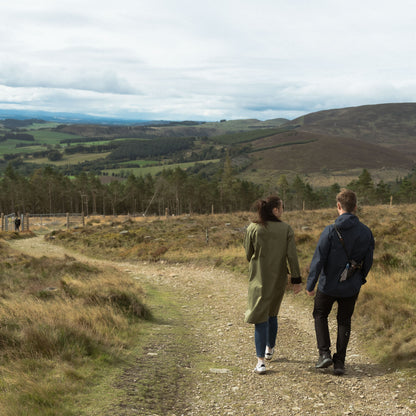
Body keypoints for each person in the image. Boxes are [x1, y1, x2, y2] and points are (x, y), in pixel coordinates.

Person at [306, 189, 374, 375]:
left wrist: (311, 284)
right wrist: (360, 279)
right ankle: (340, 363)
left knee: (320, 314)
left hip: (327, 285)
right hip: (351, 286)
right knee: (344, 321)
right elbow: (368, 260)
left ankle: (324, 353)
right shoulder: (366, 232)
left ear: (338, 206)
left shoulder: (330, 230)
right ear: (355, 207)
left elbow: (318, 259)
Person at [244, 195, 302, 374]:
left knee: (259, 316)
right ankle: (270, 349)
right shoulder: (286, 229)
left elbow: (248, 253)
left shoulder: (253, 228)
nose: (283, 210)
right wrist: (296, 280)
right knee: (272, 313)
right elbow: (292, 256)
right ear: (275, 210)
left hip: (259, 278)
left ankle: (260, 361)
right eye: (282, 207)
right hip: (278, 278)